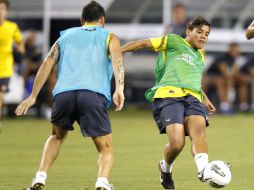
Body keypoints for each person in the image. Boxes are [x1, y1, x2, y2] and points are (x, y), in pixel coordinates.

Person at [15, 1, 125, 190]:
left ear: (82, 20)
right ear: (102, 20)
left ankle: (40, 176)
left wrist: (33, 96)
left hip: (64, 94)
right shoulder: (110, 37)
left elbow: (47, 64)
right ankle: (102, 182)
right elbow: (118, 60)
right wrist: (119, 88)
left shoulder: (65, 37)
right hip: (92, 94)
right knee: (105, 148)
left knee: (56, 137)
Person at [121, 17, 216, 190]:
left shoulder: (200, 56)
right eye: (200, 32)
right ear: (189, 31)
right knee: (177, 143)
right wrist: (119, 51)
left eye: (207, 34)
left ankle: (204, 170)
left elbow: (192, 80)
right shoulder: (173, 41)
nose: (203, 37)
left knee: (199, 131)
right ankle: (166, 168)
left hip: (193, 98)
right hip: (169, 95)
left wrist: (205, 98)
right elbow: (144, 43)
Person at [205, 43, 249, 112]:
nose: (237, 52)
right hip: (211, 76)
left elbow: (235, 72)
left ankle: (243, 106)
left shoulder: (233, 59)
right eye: (236, 50)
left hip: (221, 77)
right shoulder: (223, 58)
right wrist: (233, 76)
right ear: (230, 50)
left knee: (241, 81)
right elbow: (224, 72)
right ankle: (224, 105)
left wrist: (241, 77)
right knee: (223, 81)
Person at [0, 0, 24, 125]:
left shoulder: (12, 27)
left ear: (6, 11)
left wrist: (20, 52)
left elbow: (20, 42)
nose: (0, 11)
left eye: (2, 8)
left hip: (5, 69)